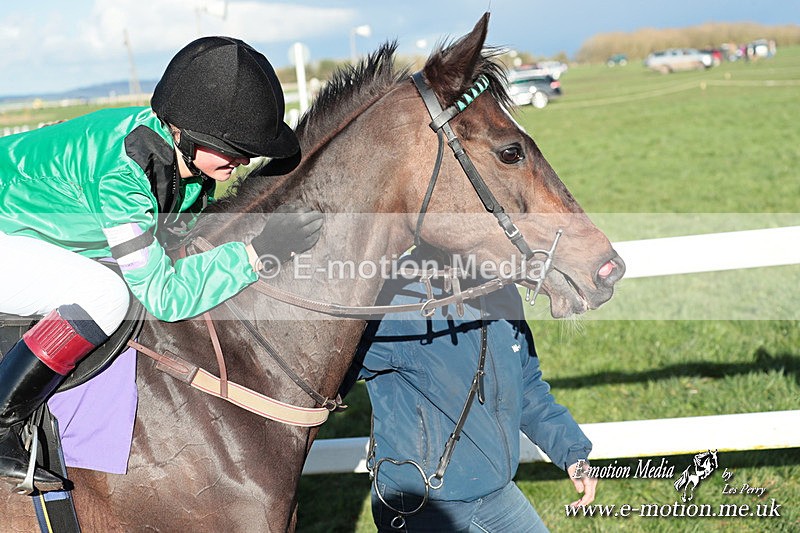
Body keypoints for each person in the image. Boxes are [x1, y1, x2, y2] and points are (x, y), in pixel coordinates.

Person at [0, 36, 323, 492]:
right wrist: (257, 254)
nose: (245, 160)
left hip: (28, 220)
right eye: (233, 147)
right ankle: (3, 421)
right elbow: (164, 295)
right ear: (186, 135)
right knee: (106, 295)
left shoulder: (180, 159)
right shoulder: (123, 178)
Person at [351, 244, 597, 532]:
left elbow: (528, 387)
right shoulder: (395, 299)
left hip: (496, 492)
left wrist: (572, 452)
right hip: (423, 503)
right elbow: (328, 374)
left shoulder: (502, 291)